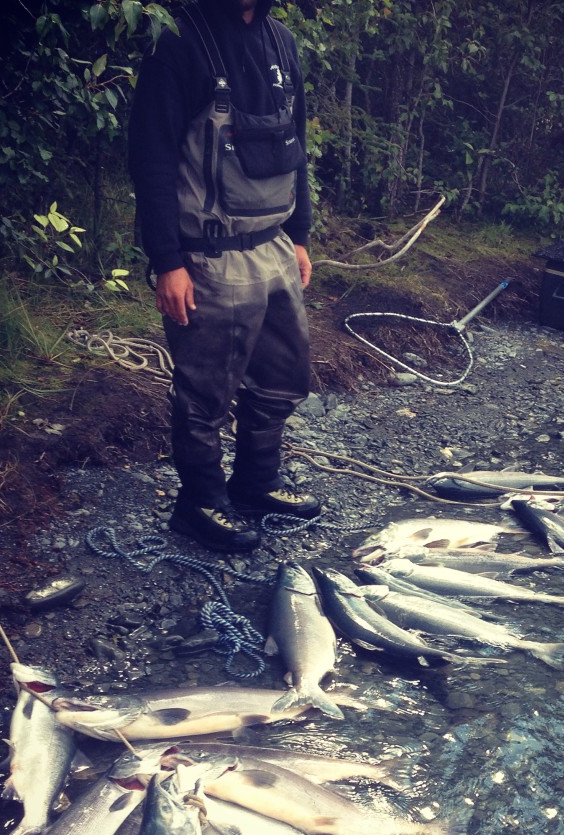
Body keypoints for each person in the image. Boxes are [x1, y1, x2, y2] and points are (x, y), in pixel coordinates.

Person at [128, 0, 320, 553]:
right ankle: (201, 501)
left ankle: (257, 482)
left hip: (275, 246)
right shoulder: (179, 43)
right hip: (209, 257)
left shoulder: (282, 43)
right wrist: (167, 261)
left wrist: (300, 235)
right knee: (205, 391)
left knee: (283, 376)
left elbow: (296, 147)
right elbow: (152, 158)